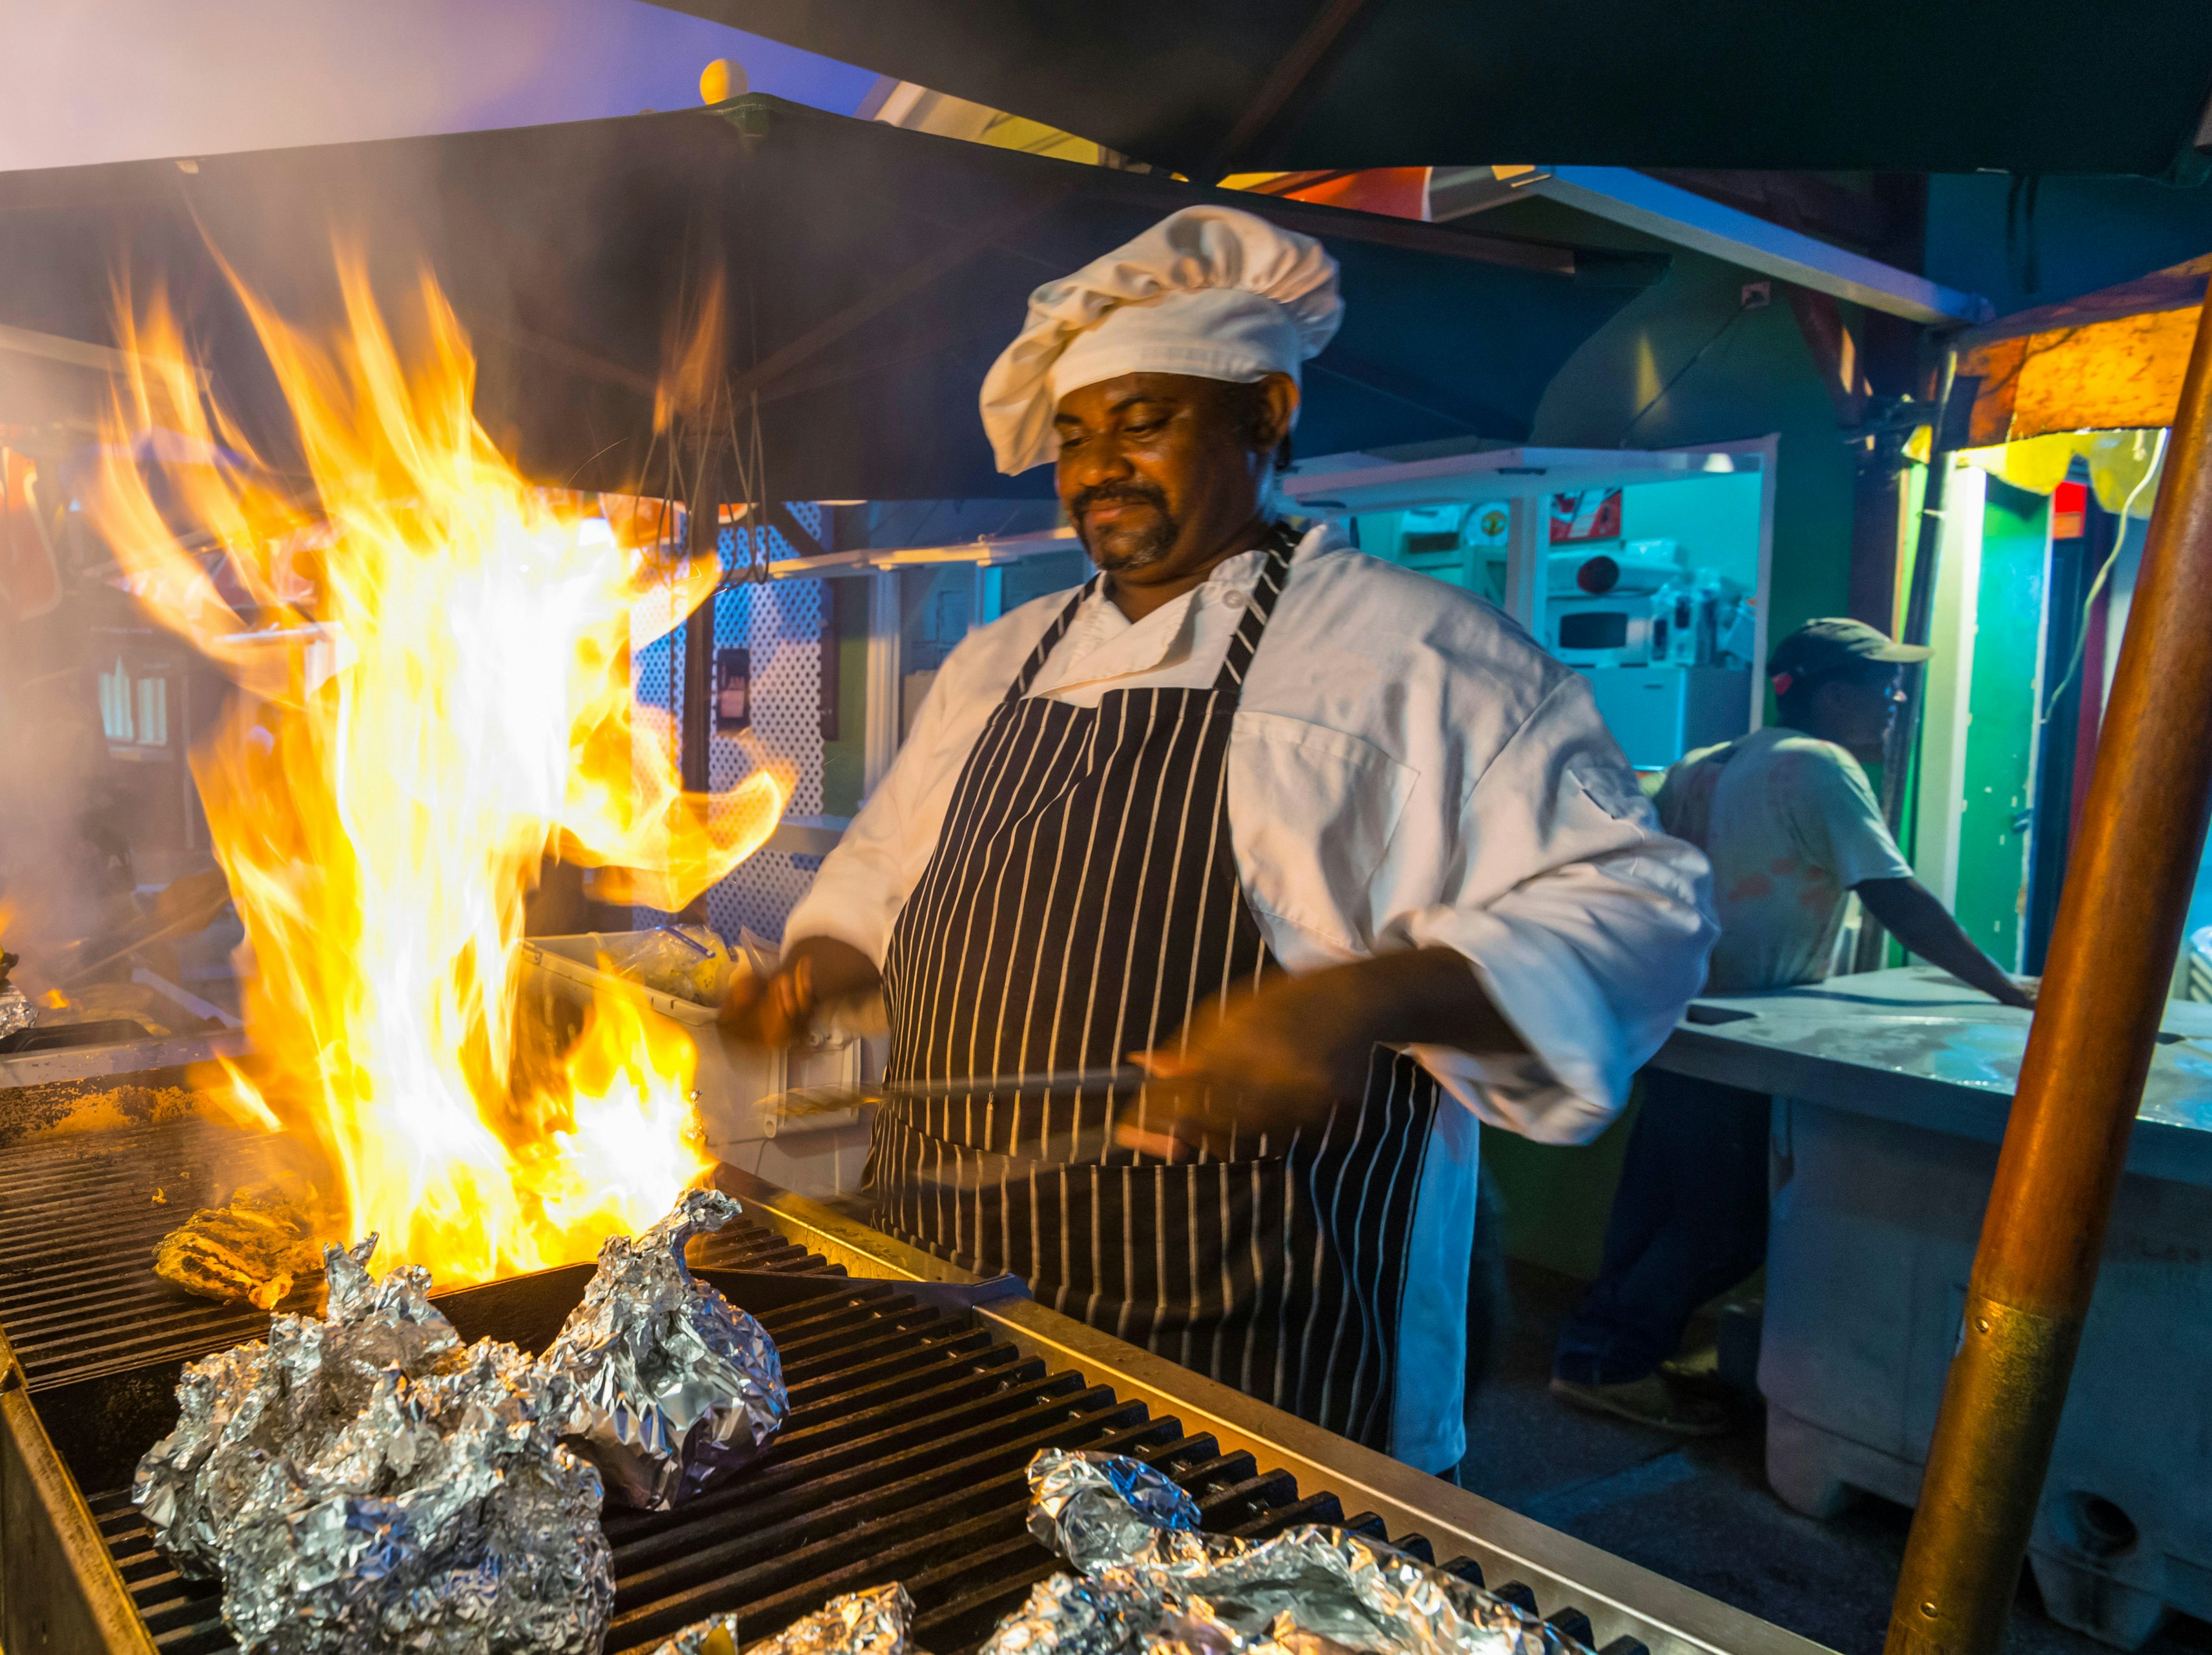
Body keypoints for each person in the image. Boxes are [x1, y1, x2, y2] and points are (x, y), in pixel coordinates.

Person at [725, 205, 1715, 1474]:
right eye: (1076, 437)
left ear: (1269, 414)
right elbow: (877, 885)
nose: (1097, 468)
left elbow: (1643, 911)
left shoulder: (1419, 659)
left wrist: (1361, 1000)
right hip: (947, 1319)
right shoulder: (993, 662)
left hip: (1247, 1382)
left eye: (1146, 421)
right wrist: (815, 975)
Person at [1549, 617, 2034, 1432]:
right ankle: (1607, 1360)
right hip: (1753, 1033)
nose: (1897, 703)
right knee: (1731, 1222)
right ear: (1837, 693)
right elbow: (1890, 891)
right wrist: (2004, 989)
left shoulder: (1710, 761)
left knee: (1658, 1202)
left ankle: (1603, 1351)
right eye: (1884, 688)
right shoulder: (1819, 765)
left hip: (1681, 1016)